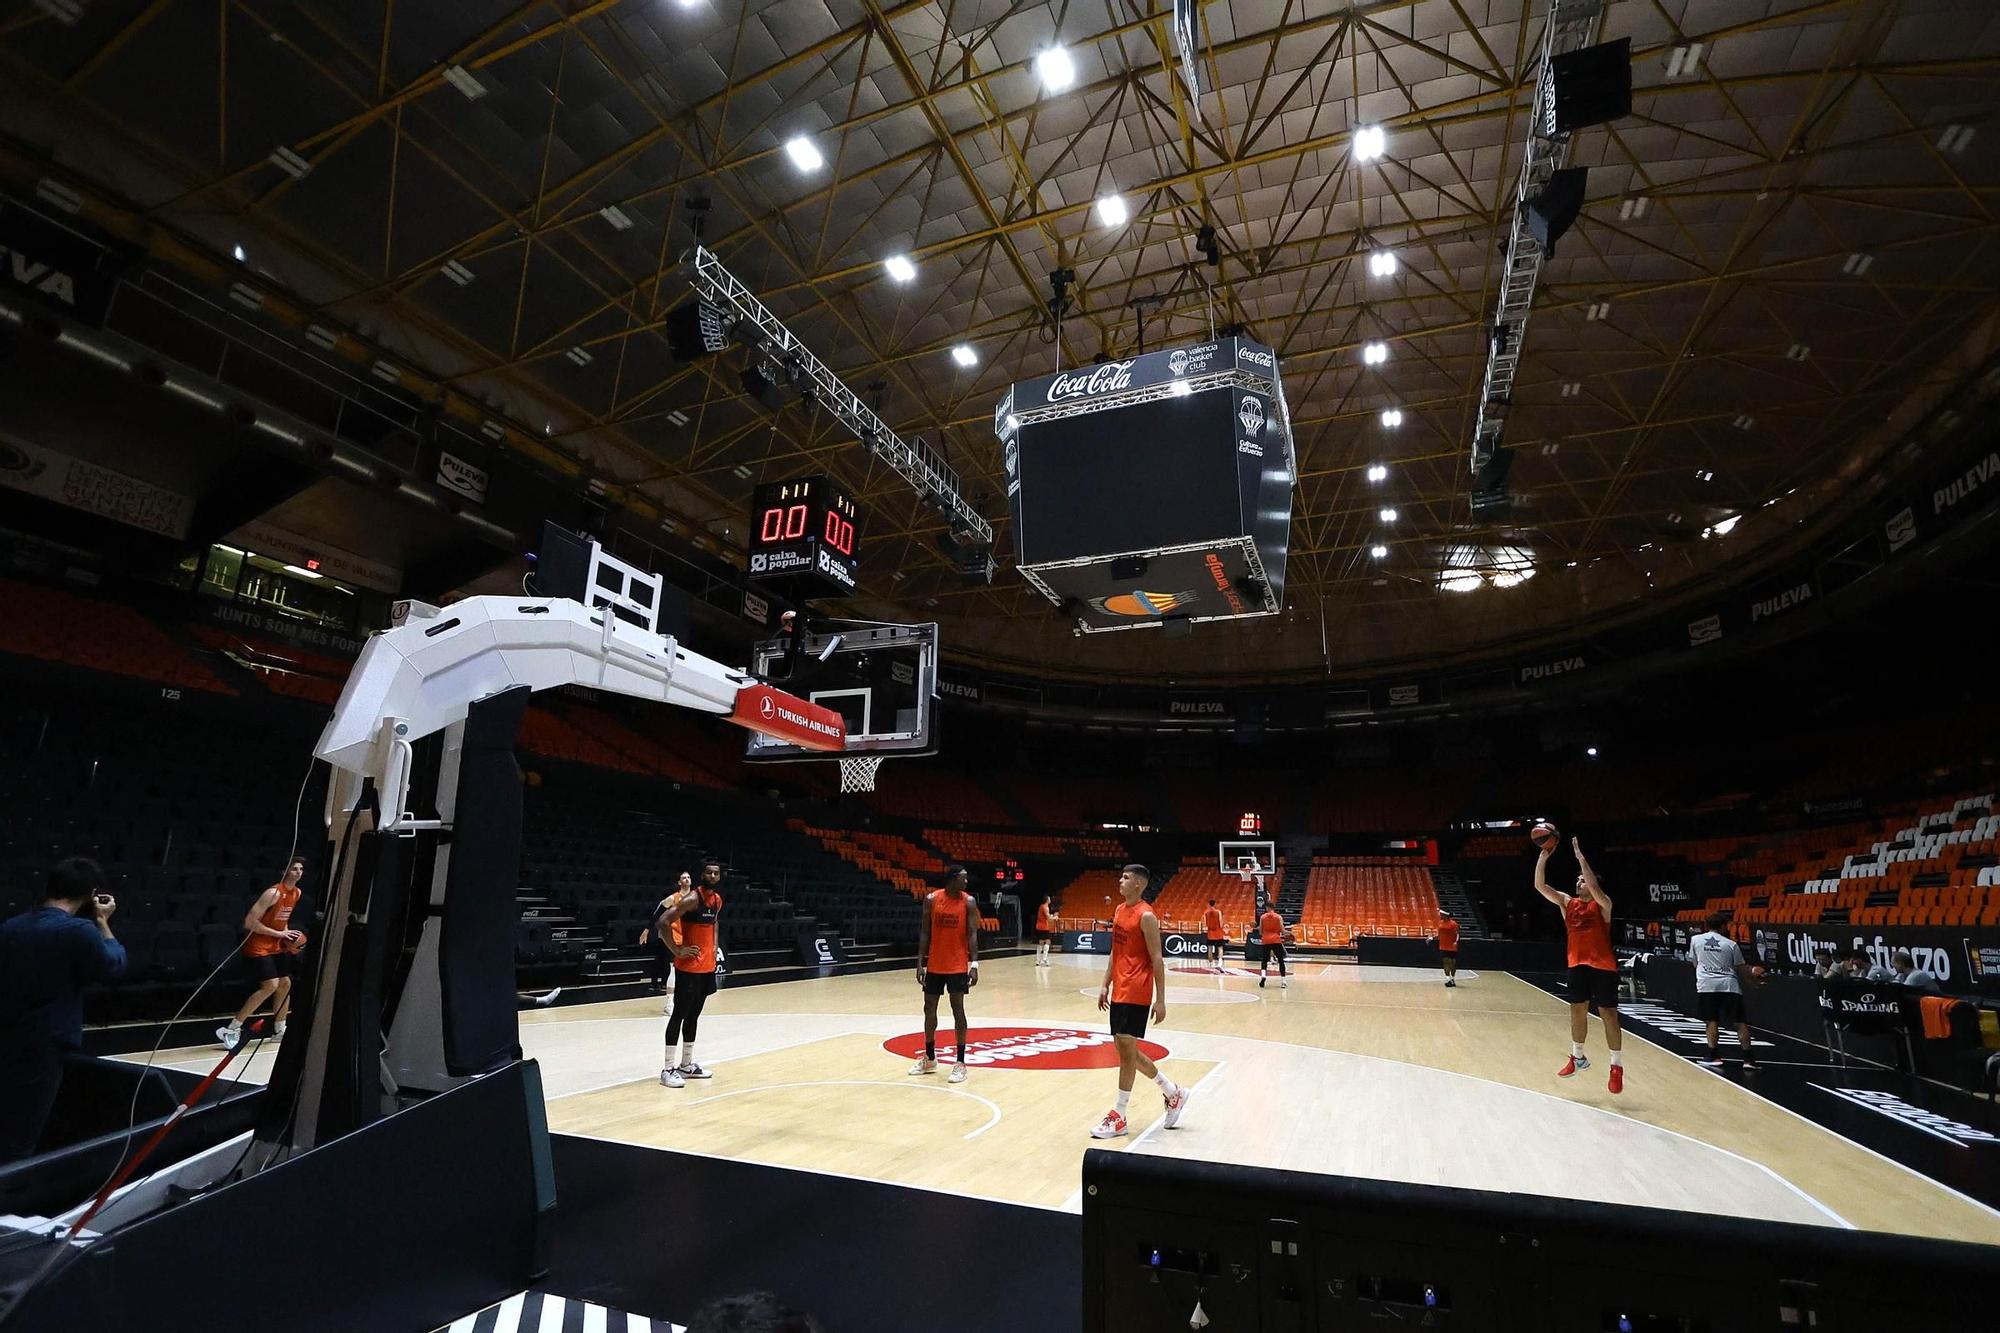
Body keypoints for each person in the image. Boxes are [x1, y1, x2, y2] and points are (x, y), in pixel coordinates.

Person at [0, 858, 127, 1162]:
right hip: (46, 1042)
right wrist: (103, 922)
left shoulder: (10, 926)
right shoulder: (79, 930)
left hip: (8, 1033)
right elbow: (113, 966)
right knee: (23, 1134)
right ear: (89, 894)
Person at [1093, 865, 1188, 1139]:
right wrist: (1105, 983)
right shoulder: (1120, 910)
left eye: (1125, 878)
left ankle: (1119, 1115)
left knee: (1125, 1050)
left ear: (1138, 884)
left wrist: (1161, 1000)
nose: (1120, 881)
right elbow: (1116, 950)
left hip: (1137, 988)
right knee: (1126, 1052)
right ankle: (1173, 1092)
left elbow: (1157, 958)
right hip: (1119, 989)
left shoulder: (1146, 916)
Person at [1535, 836, 1624, 1094]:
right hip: (1577, 964)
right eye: (1578, 879)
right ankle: (1578, 1057)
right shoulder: (1567, 903)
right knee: (1576, 1011)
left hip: (1603, 966)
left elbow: (1595, 888)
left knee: (1608, 1015)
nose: (1579, 882)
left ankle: (1616, 1066)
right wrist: (1543, 856)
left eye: (1583, 879)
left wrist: (1580, 858)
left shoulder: (1603, 904)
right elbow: (1540, 886)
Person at [217, 858, 307, 1051]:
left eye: (301, 869)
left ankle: (279, 1030)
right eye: (294, 868)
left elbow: (282, 921)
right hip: (257, 945)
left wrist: (288, 938)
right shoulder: (273, 893)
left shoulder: (297, 893)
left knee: (285, 983)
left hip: (276, 944)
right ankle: (232, 1028)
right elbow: (250, 922)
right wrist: (279, 934)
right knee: (271, 985)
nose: (298, 872)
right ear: (285, 870)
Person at [658, 860, 724, 1088]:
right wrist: (677, 950)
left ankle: (686, 1064)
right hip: (688, 969)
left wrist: (714, 948)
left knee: (694, 1015)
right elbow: (663, 922)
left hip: (706, 969)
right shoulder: (692, 899)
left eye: (716, 873)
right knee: (679, 1015)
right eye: (709, 872)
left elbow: (714, 924)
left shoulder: (717, 901)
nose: (713, 876)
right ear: (702, 875)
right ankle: (667, 1069)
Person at [911, 866, 979, 1083]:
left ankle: (960, 1063)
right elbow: (925, 931)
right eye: (963, 879)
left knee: (957, 1009)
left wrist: (974, 964)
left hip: (957, 965)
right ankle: (930, 1057)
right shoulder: (932, 899)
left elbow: (972, 934)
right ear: (952, 879)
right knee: (928, 1009)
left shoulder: (968, 902)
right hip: (935, 965)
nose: (966, 883)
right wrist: (920, 962)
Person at [1689, 912, 1759, 1072]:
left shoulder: (1695, 940)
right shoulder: (1731, 944)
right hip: (1729, 986)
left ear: (1707, 926)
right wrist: (1753, 982)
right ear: (1723, 926)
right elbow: (1741, 968)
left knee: (1711, 1021)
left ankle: (1713, 1056)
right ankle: (1748, 1059)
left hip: (1707, 986)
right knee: (1740, 1022)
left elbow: (1694, 963)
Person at [641, 872, 690, 1004]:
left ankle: (683, 1000)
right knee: (673, 968)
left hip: (688, 937)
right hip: (673, 937)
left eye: (689, 877)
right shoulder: (673, 898)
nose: (687, 879)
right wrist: (647, 930)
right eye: (684, 878)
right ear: (679, 882)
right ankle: (669, 1002)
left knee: (687, 971)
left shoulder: (695, 897)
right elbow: (657, 913)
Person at [1257, 902, 1289, 989]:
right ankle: (1283, 981)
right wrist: (1289, 933)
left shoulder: (1262, 917)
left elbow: (1260, 931)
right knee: (1281, 960)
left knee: (1264, 960)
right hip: (1276, 939)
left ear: (1267, 907)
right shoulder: (1279, 917)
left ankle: (1263, 976)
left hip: (1266, 940)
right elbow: (1283, 931)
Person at [1437, 910, 1460, 987]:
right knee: (1446, 962)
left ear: (1445, 915)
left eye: (1442, 914)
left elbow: (1457, 934)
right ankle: (1448, 980)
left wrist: (1456, 942)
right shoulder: (1440, 923)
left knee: (1452, 964)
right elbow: (1438, 934)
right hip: (1443, 946)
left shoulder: (1453, 924)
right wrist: (1431, 938)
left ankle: (1453, 979)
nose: (1440, 916)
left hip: (1452, 947)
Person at [1032, 895, 1054, 967]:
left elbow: (1044, 916)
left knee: (1040, 943)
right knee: (1048, 942)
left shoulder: (1041, 906)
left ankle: (1038, 960)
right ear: (1047, 900)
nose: (1050, 900)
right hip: (1044, 927)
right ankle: (1044, 959)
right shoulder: (1045, 907)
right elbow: (1048, 918)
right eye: (1049, 898)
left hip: (1038, 927)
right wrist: (1055, 917)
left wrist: (1051, 916)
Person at [1203, 898, 1225, 967]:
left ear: (1209, 904)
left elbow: (1205, 923)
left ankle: (1210, 964)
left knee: (1210, 948)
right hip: (1218, 933)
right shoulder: (1218, 912)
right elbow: (1221, 923)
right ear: (1215, 904)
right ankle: (1220, 963)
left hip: (1210, 933)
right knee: (1220, 948)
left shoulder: (1206, 912)